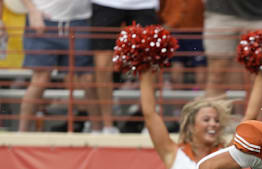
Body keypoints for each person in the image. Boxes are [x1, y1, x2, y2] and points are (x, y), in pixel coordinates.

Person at [17, 0, 100, 132]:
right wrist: (32, 10)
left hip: (80, 21)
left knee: (88, 79)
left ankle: (99, 132)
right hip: (44, 20)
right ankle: (21, 134)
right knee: (40, 80)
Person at [90, 0, 159, 134]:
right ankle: (108, 125)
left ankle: (149, 124)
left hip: (144, 4)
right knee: (102, 65)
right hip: (106, 3)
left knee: (148, 64)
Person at [202, 0, 262, 100]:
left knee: (257, 76)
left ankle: (253, 115)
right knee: (216, 74)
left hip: (256, 15)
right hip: (219, 14)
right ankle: (213, 115)